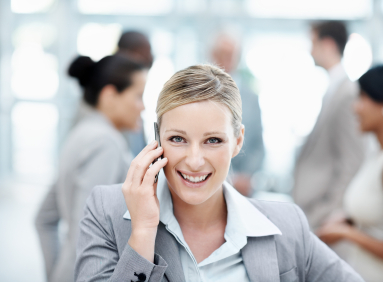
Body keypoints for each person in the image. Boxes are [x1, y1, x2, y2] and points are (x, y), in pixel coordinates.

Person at [74, 64, 364, 282]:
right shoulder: (108, 212)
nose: (195, 161)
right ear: (157, 138)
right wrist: (143, 233)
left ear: (237, 141)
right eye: (178, 139)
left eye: (213, 140)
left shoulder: (286, 226)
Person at [35, 55, 148, 282]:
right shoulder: (105, 143)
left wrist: (55, 275)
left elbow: (43, 218)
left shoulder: (82, 133)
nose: (143, 106)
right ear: (109, 96)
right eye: (138, 96)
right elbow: (85, 233)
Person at [318, 64, 383, 282]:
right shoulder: (379, 155)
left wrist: (347, 234)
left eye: (363, 98)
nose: (355, 108)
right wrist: (349, 220)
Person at [292, 21, 365, 231]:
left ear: (329, 44)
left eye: (313, 43)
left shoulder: (347, 93)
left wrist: (329, 214)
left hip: (325, 218)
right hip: (314, 213)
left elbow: (351, 162)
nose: (310, 50)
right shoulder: (333, 89)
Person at [211, 33, 265, 196]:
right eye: (221, 54)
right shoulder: (198, 94)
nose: (225, 60)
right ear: (212, 55)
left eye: (230, 55)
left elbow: (258, 144)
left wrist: (244, 176)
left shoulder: (251, 96)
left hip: (242, 186)